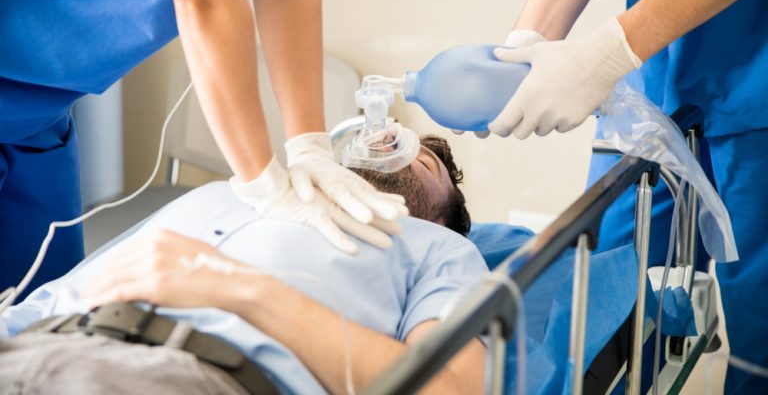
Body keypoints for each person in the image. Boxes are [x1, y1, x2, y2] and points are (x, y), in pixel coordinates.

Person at [0, 0, 406, 299]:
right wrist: (262, 182)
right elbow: (205, 0)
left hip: (39, 112)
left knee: (45, 308)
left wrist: (310, 145)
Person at [480, 0, 767, 391]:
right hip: (656, 78)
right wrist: (521, 52)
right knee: (604, 305)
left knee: (758, 339)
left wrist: (613, 50)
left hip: (755, 69)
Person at [0, 136, 485, 394]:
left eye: (425, 163)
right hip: (32, 344)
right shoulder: (227, 191)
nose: (387, 143)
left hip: (185, 375)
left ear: (444, 215)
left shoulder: (440, 248)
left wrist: (239, 288)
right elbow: (54, 295)